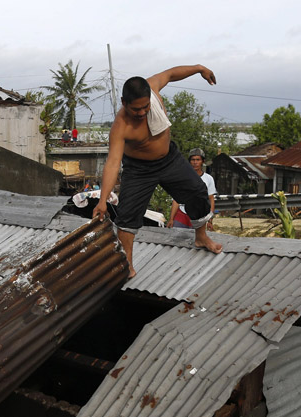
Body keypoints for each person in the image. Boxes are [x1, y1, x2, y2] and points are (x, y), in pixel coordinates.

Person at [93, 64, 223, 278]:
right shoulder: (121, 126)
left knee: (198, 191)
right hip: (139, 169)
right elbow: (113, 162)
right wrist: (102, 200)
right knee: (126, 216)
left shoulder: (151, 88)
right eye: (136, 109)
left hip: (169, 159)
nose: (143, 113)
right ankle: (127, 263)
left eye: (146, 107)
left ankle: (201, 236)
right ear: (124, 103)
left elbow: (171, 74)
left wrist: (199, 69)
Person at [167, 148, 216, 229]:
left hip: (199, 216)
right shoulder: (182, 177)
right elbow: (176, 199)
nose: (195, 162)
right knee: (177, 237)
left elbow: (211, 199)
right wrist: (171, 219)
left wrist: (210, 219)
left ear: (202, 161)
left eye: (198, 160)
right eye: (193, 160)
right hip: (182, 214)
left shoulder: (208, 179)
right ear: (189, 161)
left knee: (195, 239)